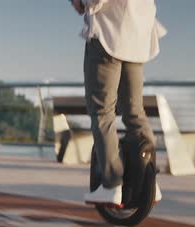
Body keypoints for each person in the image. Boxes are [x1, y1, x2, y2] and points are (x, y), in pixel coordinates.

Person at [71, 0, 167, 206]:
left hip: (109, 34)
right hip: (138, 36)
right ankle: (149, 182)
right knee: (134, 111)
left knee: (102, 111)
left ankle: (112, 185)